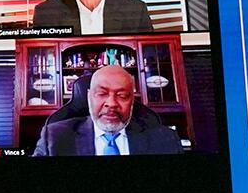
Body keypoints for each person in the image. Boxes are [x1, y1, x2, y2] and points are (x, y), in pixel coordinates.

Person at [32, 64, 182, 156]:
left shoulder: (165, 140)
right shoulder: (54, 138)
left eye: (122, 96)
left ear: (132, 100)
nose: (111, 103)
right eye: (102, 94)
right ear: (89, 97)